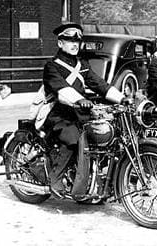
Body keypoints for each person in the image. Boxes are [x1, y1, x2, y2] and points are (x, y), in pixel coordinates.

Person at [38, 23, 125, 198]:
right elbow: (62, 90)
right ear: (60, 43)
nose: (74, 44)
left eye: (77, 41)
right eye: (69, 40)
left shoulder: (82, 64)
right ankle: (55, 179)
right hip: (58, 114)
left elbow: (100, 84)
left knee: (106, 133)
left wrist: (123, 98)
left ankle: (95, 180)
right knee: (72, 137)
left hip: (80, 113)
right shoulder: (52, 66)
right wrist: (79, 100)